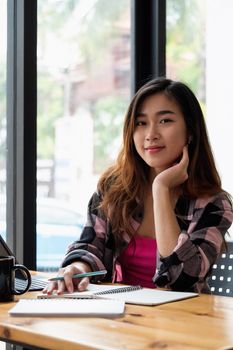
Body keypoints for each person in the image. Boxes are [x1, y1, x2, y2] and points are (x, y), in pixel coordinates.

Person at [44, 77, 233, 296]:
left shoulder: (214, 204)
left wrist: (160, 188)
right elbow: (91, 244)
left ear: (190, 132)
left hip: (183, 321)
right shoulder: (113, 188)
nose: (151, 134)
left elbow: (181, 279)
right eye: (141, 123)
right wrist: (78, 268)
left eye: (165, 121)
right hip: (123, 316)